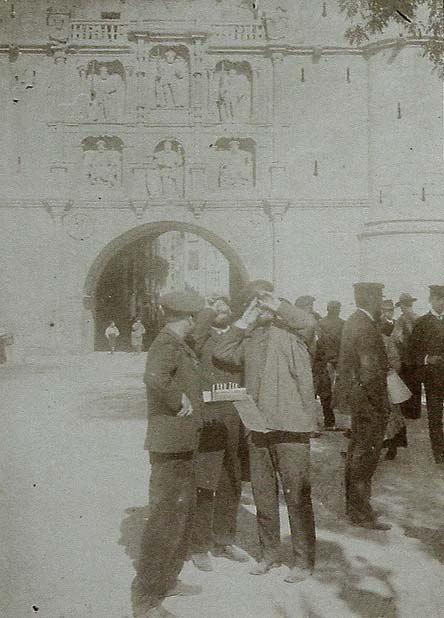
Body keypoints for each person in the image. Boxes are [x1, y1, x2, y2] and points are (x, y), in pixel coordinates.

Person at [214, 280, 318, 584]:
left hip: (292, 427)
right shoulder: (251, 338)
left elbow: (308, 322)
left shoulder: (295, 334)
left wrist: (277, 304)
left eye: (264, 303)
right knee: (263, 495)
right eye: (255, 303)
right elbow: (222, 352)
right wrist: (244, 322)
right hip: (257, 426)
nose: (261, 308)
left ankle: (303, 560)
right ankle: (269, 554)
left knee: (297, 495)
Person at [132, 291, 205, 618]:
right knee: (164, 520)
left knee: (180, 517)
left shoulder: (178, 344)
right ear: (187, 318)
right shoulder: (165, 344)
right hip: (169, 444)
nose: (194, 323)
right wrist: (179, 400)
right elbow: (153, 378)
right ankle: (145, 601)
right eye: (193, 318)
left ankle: (167, 580)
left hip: (183, 442)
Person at [189, 296, 248, 572]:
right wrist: (206, 310)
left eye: (225, 305)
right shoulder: (202, 337)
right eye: (216, 306)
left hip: (236, 416)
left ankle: (224, 539)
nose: (221, 310)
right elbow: (195, 335)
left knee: (232, 478)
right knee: (205, 481)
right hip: (210, 417)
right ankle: (199, 546)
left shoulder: (241, 336)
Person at [335, 282, 391, 530]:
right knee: (365, 457)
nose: (381, 302)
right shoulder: (366, 326)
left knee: (357, 454)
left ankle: (355, 508)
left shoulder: (353, 321)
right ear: (369, 298)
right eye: (379, 297)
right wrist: (382, 405)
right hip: (369, 403)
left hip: (358, 400)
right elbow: (369, 372)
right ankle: (361, 512)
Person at [407, 285, 444, 464]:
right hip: (433, 379)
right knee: (435, 417)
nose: (443, 303)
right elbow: (410, 353)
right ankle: (439, 454)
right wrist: (427, 359)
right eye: (440, 299)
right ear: (432, 299)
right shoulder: (422, 322)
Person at [313, 301, 344, 430]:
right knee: (329, 391)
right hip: (334, 362)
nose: (336, 311)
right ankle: (331, 421)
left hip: (328, 361)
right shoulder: (343, 323)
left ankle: (330, 421)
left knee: (326, 391)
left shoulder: (321, 324)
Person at [392, 292, 421, 419]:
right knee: (416, 384)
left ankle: (407, 412)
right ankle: (416, 412)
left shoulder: (401, 319)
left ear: (403, 305)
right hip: (418, 359)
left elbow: (396, 337)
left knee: (406, 384)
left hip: (405, 358)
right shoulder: (418, 318)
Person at [381, 330, 408, 461]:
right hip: (368, 384)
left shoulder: (387, 340)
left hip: (386, 384)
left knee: (391, 415)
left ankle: (392, 446)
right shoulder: (360, 338)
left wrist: (388, 370)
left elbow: (396, 362)